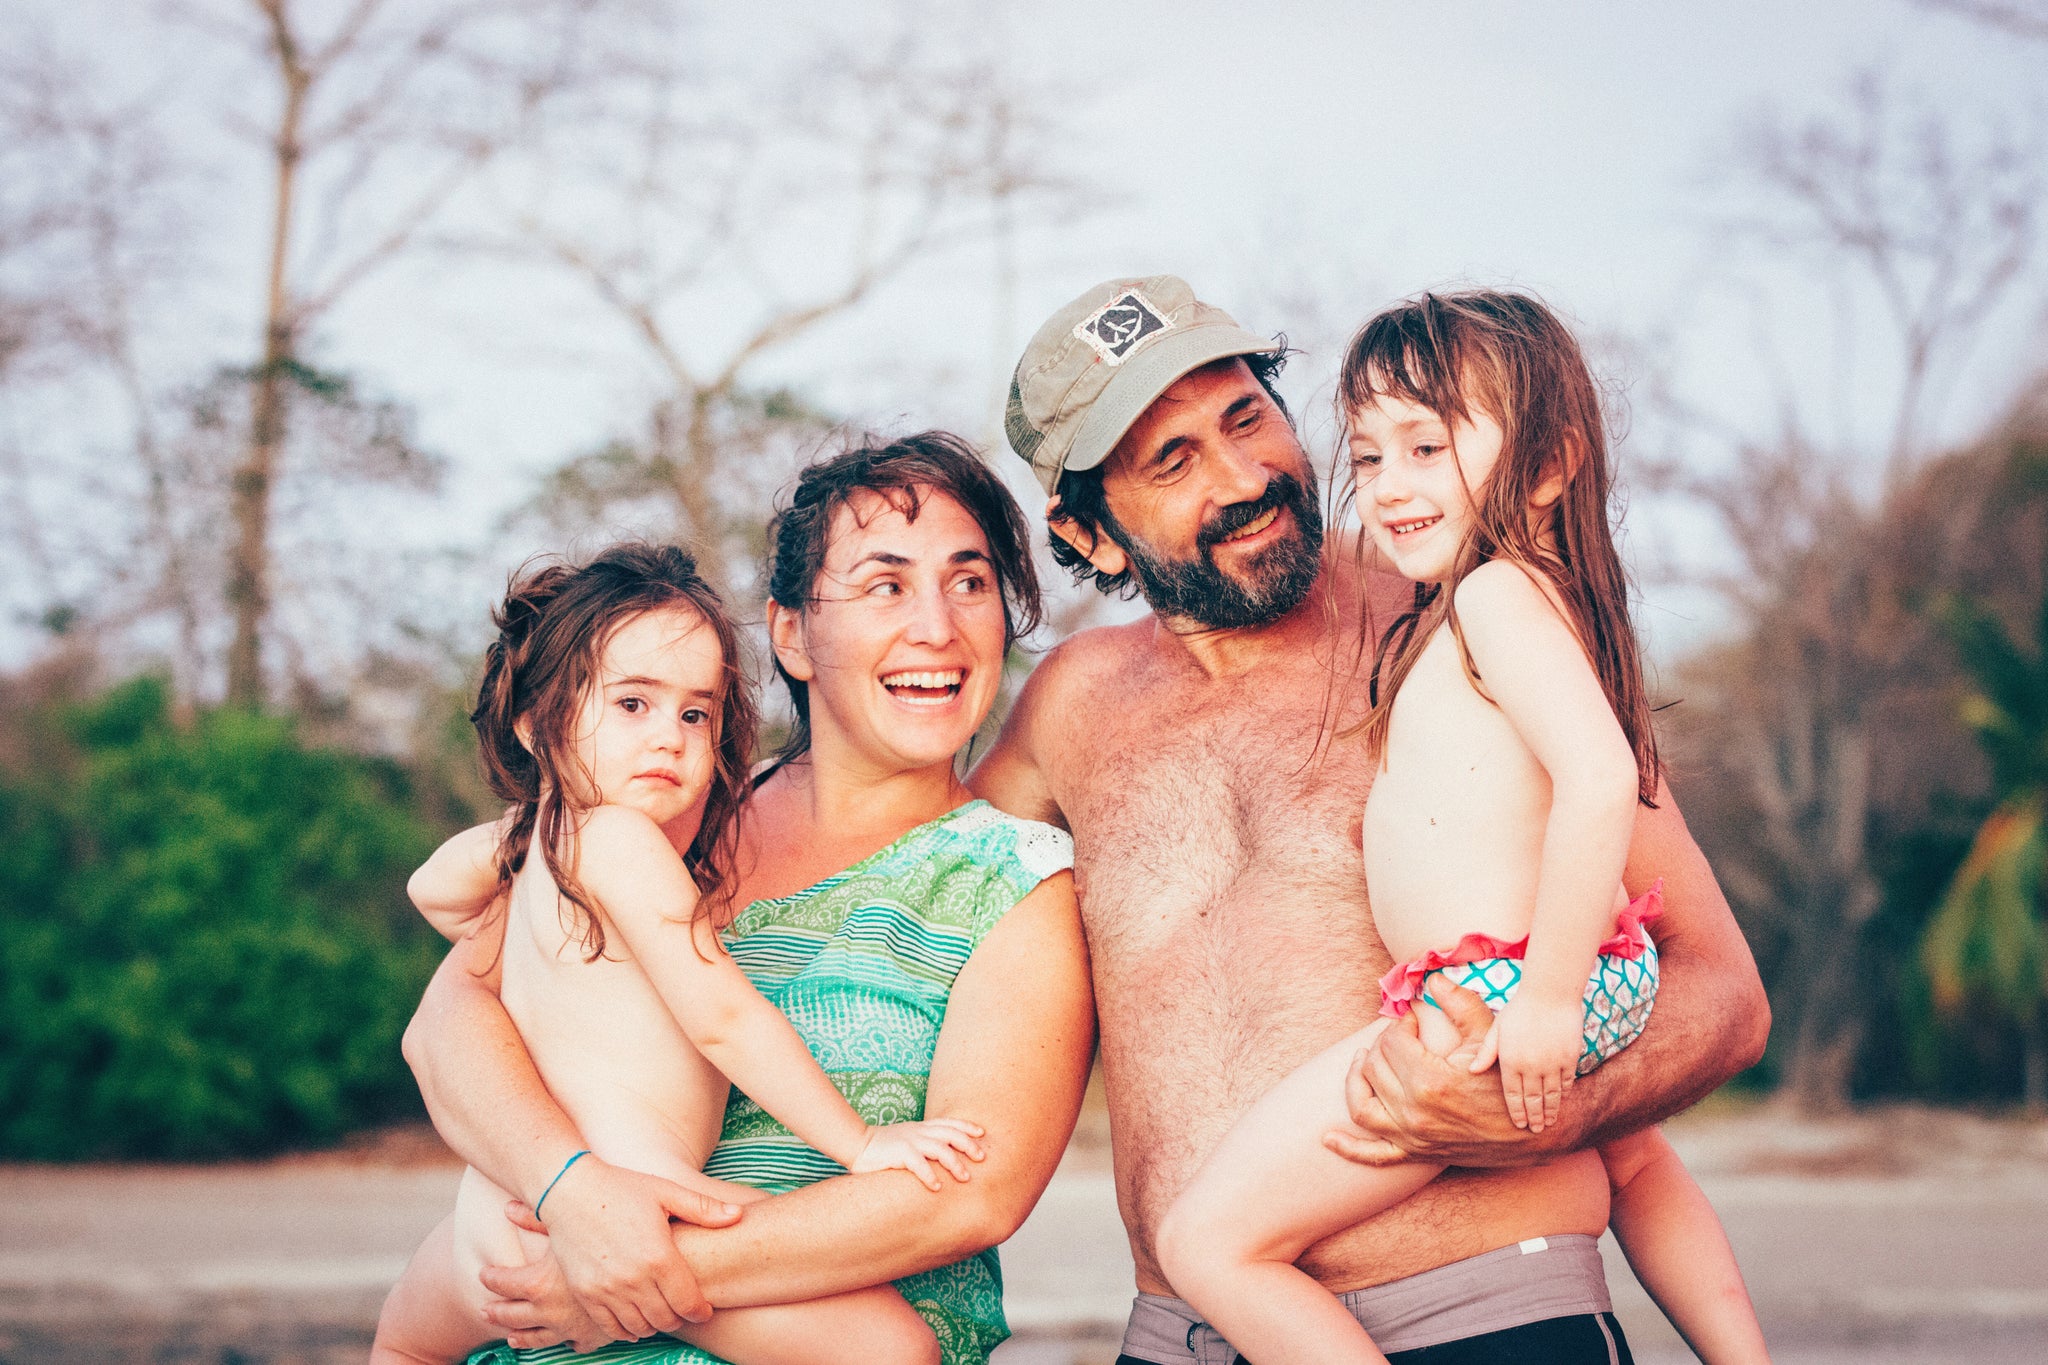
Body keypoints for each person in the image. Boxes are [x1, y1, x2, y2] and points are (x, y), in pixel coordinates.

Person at [969, 275, 1770, 1363]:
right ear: (1089, 531)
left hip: (1489, 1319)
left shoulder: (1459, 623)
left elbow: (1720, 992)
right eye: (1173, 459)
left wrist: (1554, 1108)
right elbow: (910, 900)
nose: (1245, 475)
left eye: (1246, 416)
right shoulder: (1063, 708)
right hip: (1181, 1339)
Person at [398, 435, 1094, 1365]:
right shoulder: (662, 823)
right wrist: (568, 1191)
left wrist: (630, 1275)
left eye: (969, 582)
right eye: (886, 584)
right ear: (793, 633)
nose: (938, 624)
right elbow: (446, 1022)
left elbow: (966, 1194)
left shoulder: (1011, 880)